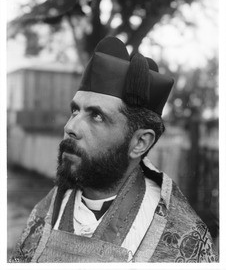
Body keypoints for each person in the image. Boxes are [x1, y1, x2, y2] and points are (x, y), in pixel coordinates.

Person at [10, 36, 218, 263]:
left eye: (96, 116)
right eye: (75, 110)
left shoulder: (183, 238)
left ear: (140, 143)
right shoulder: (47, 211)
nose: (70, 127)